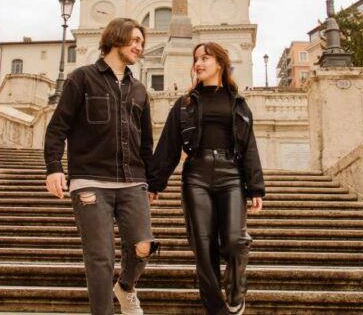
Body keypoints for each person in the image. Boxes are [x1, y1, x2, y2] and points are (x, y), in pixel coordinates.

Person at [44, 18, 158, 315]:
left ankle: (126, 287)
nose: (139, 47)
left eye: (141, 43)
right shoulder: (81, 79)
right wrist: (54, 166)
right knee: (100, 258)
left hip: (133, 180)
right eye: (134, 40)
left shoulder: (140, 91)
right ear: (116, 39)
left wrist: (153, 181)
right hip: (90, 181)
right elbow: (57, 128)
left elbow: (146, 142)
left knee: (143, 245)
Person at [149, 42, 266, 315]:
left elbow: (249, 145)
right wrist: (155, 182)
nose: (198, 63)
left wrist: (255, 187)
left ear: (220, 64)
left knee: (235, 240)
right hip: (196, 176)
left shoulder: (238, 102)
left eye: (205, 58)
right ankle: (216, 309)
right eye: (196, 59)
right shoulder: (184, 104)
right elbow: (168, 145)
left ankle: (236, 289)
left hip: (231, 174)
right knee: (203, 246)